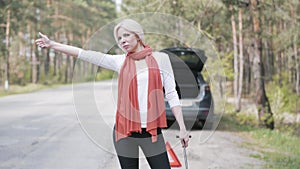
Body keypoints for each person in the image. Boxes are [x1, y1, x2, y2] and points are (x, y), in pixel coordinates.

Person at [35, 19, 189, 169]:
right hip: (124, 133)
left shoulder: (161, 59)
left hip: (152, 132)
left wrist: (182, 127)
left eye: (126, 35)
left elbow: (171, 94)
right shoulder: (120, 61)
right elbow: (84, 54)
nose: (122, 41)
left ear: (137, 35)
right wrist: (52, 44)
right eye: (119, 38)